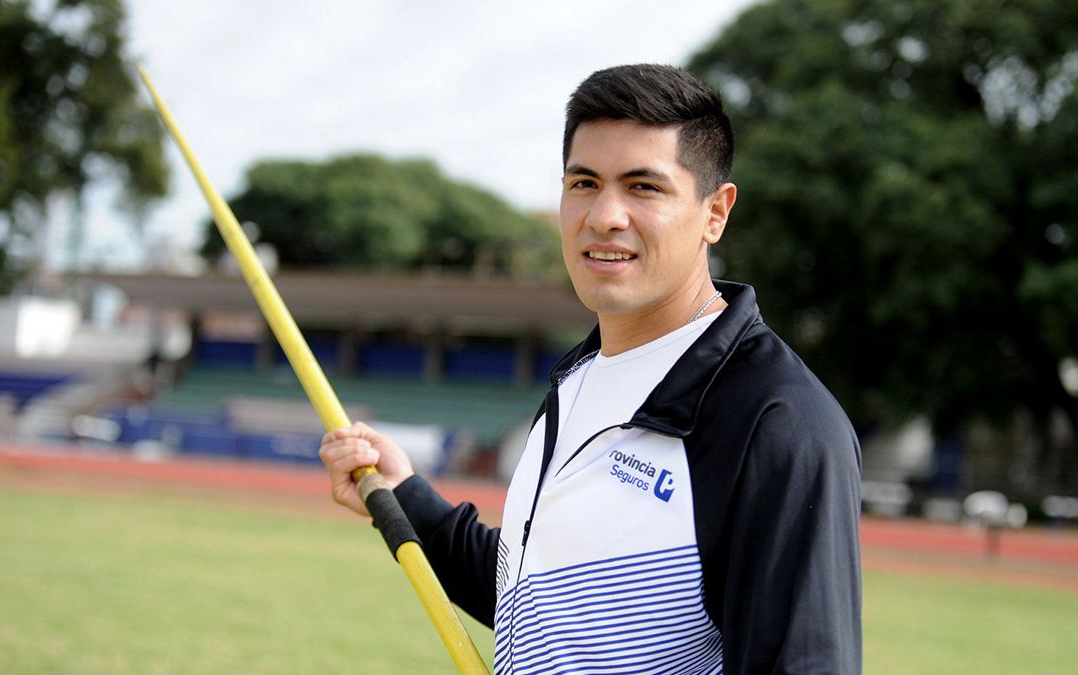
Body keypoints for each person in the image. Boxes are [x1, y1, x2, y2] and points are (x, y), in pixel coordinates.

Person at [319, 64, 862, 674]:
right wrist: (402, 498)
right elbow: (550, 600)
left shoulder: (778, 420)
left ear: (716, 212)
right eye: (583, 182)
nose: (604, 215)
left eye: (643, 187)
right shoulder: (578, 376)